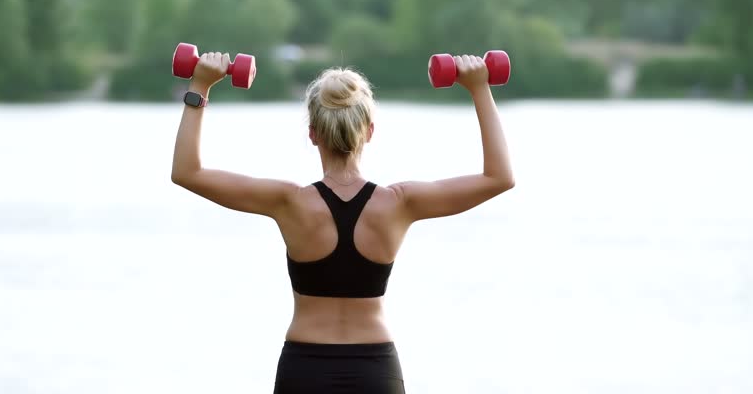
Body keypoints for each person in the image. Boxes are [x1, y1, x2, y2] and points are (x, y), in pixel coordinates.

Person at [171, 52, 515, 393]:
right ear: (369, 132)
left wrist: (200, 84)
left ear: (313, 134)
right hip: (376, 372)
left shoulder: (288, 203)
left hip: (304, 370)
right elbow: (499, 178)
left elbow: (188, 173)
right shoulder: (400, 204)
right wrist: (479, 88)